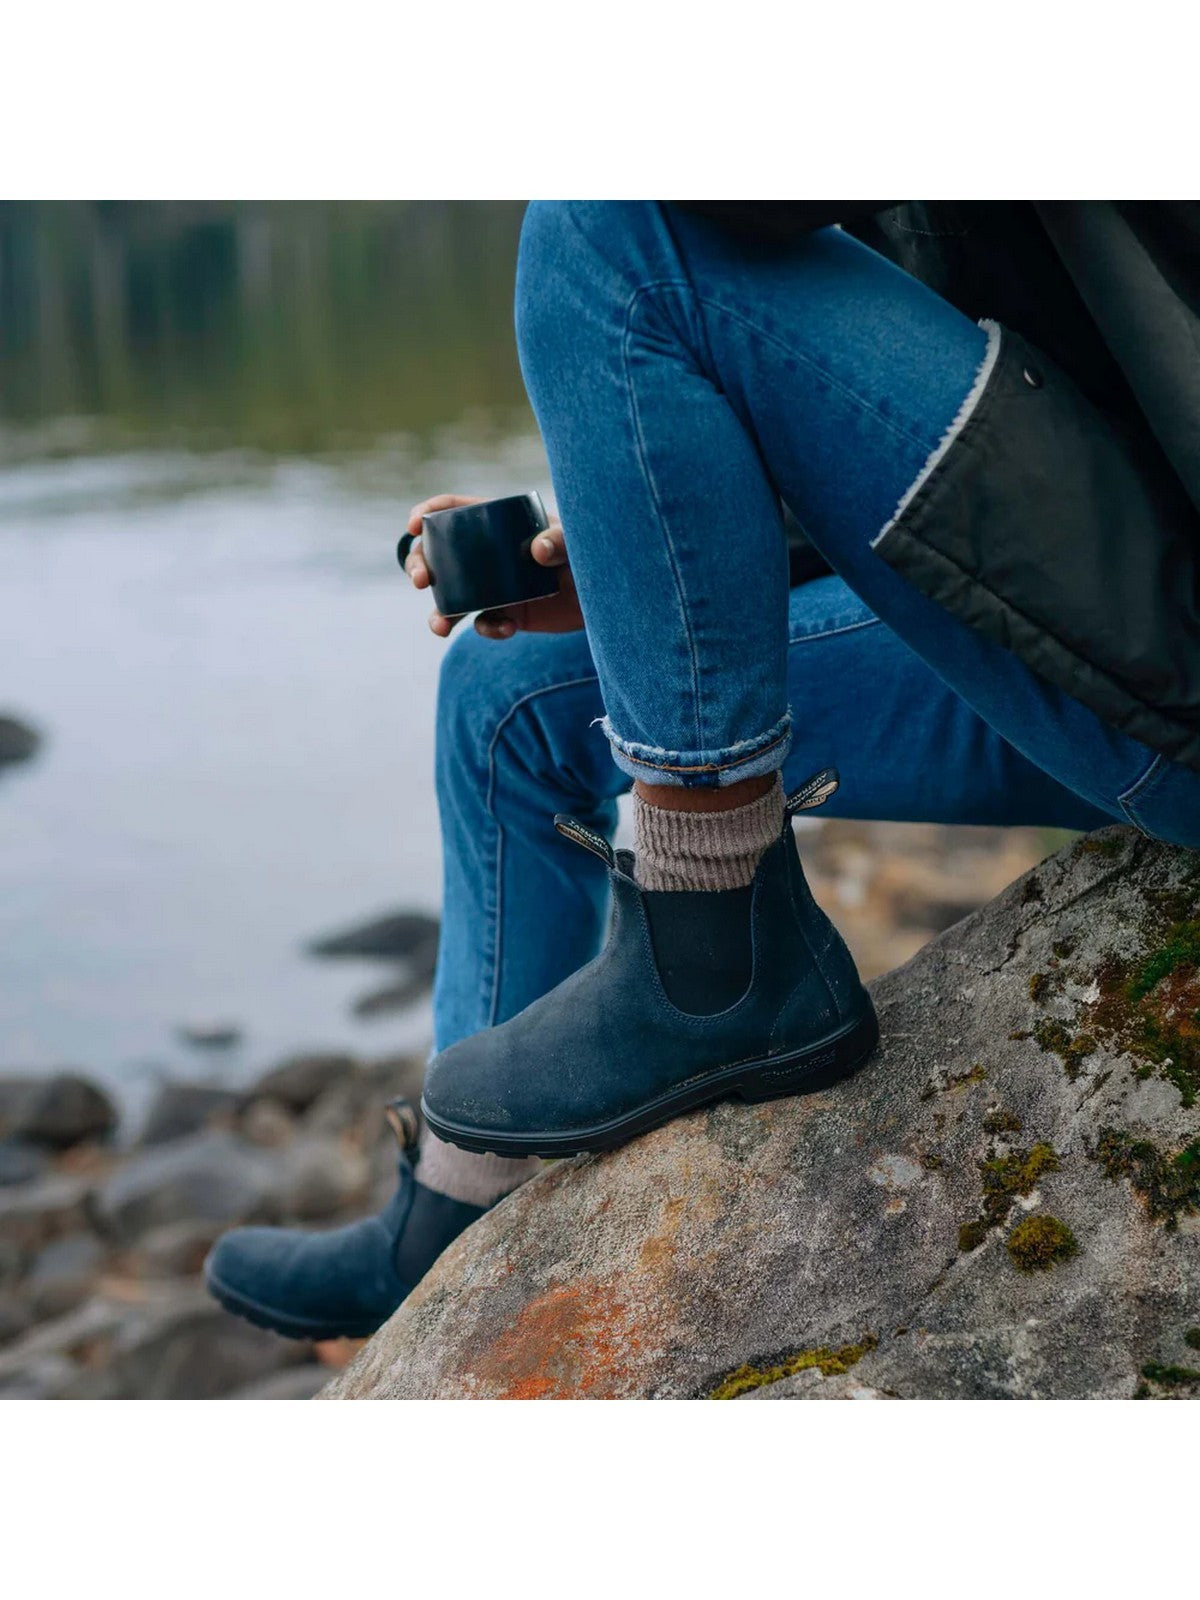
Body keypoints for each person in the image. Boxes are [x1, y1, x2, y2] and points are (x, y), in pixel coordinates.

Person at [206, 201, 1200, 1341]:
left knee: (603, 232)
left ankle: (710, 945)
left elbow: (719, 215)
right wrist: (648, 542)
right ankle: (452, 1210)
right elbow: (1022, 390)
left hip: (1162, 641)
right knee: (510, 699)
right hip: (1112, 584)